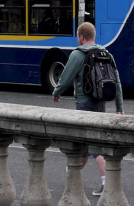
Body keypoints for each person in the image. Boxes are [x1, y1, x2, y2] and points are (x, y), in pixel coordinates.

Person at [52, 22, 124, 195]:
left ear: (81, 37)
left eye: (78, 37)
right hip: (101, 102)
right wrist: (119, 106)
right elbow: (117, 81)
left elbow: (66, 77)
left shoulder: (78, 54)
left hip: (84, 103)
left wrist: (56, 92)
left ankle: (107, 183)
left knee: (94, 146)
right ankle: (72, 177)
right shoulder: (106, 53)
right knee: (83, 143)